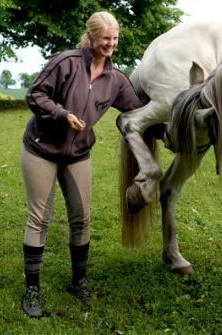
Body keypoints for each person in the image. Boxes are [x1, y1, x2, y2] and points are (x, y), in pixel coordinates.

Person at [20, 11, 145, 318]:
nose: (111, 44)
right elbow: (34, 95)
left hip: (78, 155)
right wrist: (62, 114)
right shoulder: (65, 63)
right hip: (41, 150)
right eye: (106, 38)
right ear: (90, 37)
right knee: (40, 219)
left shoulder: (115, 79)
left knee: (82, 219)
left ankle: (79, 281)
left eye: (115, 39)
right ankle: (32, 289)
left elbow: (139, 109)